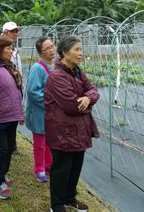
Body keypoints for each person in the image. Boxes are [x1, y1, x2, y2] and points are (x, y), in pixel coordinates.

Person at [44, 35, 100, 212]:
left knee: (75, 167)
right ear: (64, 52)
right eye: (76, 49)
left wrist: (87, 98)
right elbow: (71, 106)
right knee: (61, 169)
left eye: (81, 49)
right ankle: (57, 204)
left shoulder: (77, 71)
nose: (80, 53)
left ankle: (69, 198)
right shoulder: (57, 77)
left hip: (79, 130)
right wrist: (87, 102)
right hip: (62, 132)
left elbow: (93, 90)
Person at [0, 37, 24, 200]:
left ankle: (2, 173)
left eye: (11, 48)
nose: (10, 50)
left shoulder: (10, 66)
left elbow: (16, 90)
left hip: (12, 116)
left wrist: (20, 111)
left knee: (9, 148)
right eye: (7, 48)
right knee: (1, 149)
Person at [25, 37, 55, 183]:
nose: (51, 50)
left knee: (49, 140)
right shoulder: (38, 68)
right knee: (40, 142)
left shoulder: (54, 66)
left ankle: (48, 165)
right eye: (47, 48)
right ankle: (39, 169)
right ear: (40, 52)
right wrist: (50, 102)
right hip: (39, 112)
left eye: (52, 46)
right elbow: (33, 91)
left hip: (51, 112)